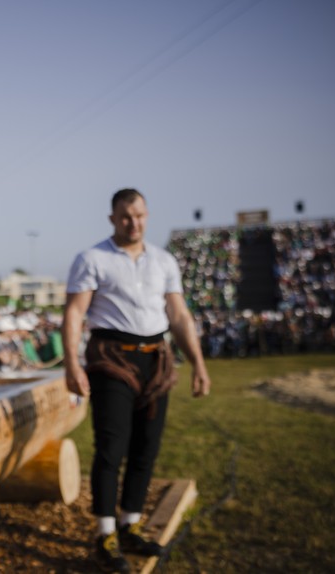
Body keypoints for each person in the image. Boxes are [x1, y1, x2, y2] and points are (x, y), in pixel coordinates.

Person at [62, 188, 210, 573]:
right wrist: (71, 365)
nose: (134, 222)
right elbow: (75, 314)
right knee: (112, 447)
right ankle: (105, 533)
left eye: (140, 215)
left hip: (156, 360)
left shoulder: (164, 260)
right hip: (112, 358)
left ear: (148, 215)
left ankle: (130, 524)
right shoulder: (92, 258)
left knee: (147, 449)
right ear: (113, 218)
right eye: (126, 216)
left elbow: (178, 315)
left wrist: (198, 363)